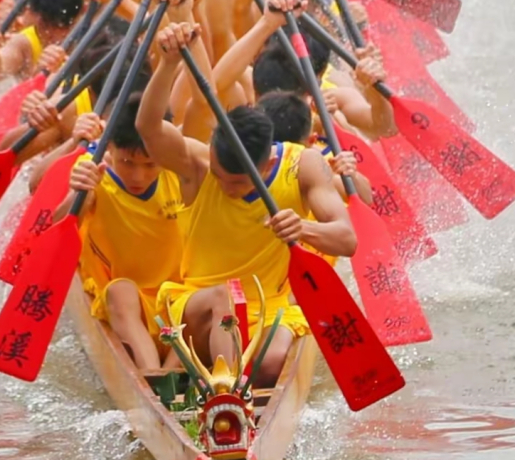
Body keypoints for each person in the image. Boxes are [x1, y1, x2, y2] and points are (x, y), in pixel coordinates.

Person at [136, 20, 357, 387]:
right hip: (198, 304)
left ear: (267, 163)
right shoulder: (197, 164)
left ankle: (223, 386)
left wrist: (303, 228)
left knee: (271, 363)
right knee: (225, 298)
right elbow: (148, 128)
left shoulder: (303, 165)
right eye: (220, 175)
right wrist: (169, 63)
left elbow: (346, 240)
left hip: (269, 307)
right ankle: (228, 394)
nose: (224, 186)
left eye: (237, 182)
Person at [51, 96, 185, 371]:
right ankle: (153, 378)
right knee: (121, 291)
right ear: (108, 145)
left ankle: (172, 372)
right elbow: (56, 232)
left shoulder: (183, 171)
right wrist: (79, 195)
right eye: (127, 162)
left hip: (176, 303)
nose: (138, 176)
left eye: (149, 165)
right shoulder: (91, 171)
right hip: (122, 306)